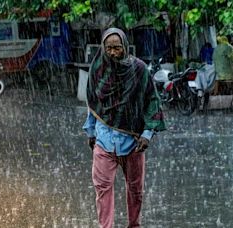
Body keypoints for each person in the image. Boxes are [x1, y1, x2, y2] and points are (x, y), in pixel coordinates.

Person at [83, 27, 166, 228]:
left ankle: (134, 224)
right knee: (102, 189)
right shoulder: (98, 68)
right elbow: (94, 102)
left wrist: (147, 134)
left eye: (117, 48)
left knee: (136, 190)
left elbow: (152, 101)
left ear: (125, 47)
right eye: (108, 48)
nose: (112, 52)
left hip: (133, 142)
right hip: (104, 141)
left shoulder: (138, 69)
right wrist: (91, 130)